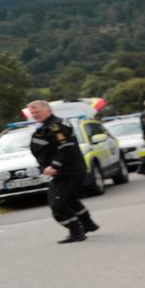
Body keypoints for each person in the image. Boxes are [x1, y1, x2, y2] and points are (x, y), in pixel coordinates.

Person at [26, 99, 100, 244]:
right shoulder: (46, 127)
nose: (35, 114)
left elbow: (65, 148)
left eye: (38, 111)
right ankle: (88, 224)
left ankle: (76, 232)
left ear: (48, 110)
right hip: (65, 171)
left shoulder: (56, 126)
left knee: (58, 205)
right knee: (70, 199)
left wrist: (55, 166)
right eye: (32, 112)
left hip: (67, 171)